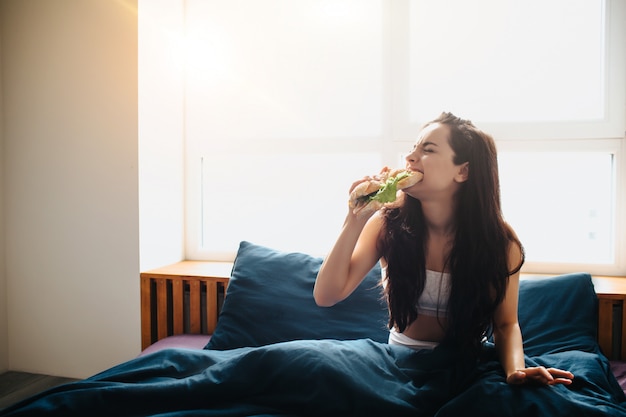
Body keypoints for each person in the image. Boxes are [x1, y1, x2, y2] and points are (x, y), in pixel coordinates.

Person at [313, 112, 574, 386]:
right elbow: (326, 295)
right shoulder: (386, 224)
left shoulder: (500, 242)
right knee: (308, 364)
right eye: (413, 148)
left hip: (468, 368)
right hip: (399, 366)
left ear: (463, 171)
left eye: (427, 149)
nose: (410, 158)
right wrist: (354, 218)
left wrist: (515, 371)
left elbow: (506, 324)